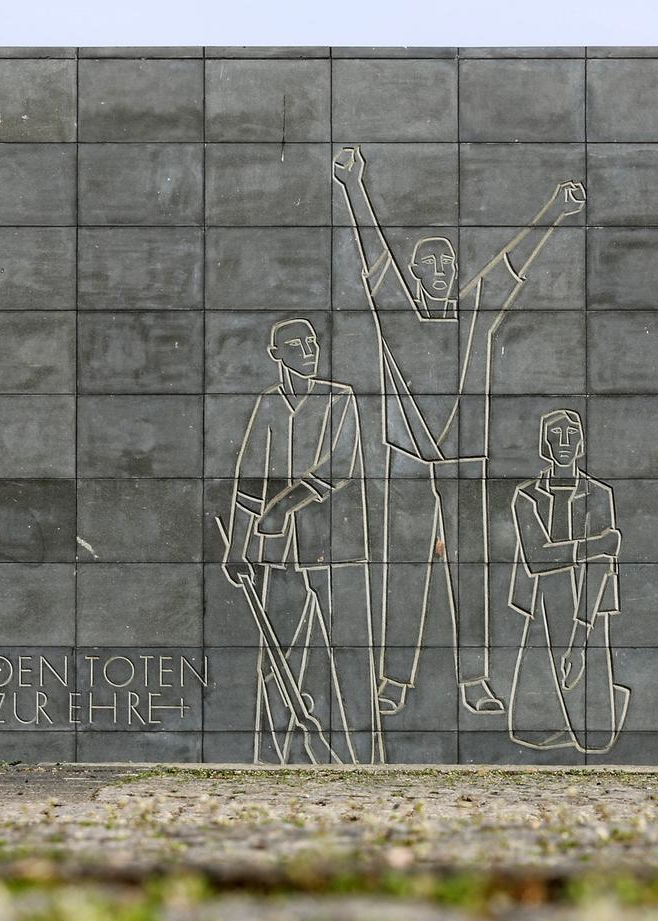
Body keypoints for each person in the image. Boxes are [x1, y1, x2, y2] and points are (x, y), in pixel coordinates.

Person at [332, 145, 585, 717]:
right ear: (417, 273)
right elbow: (374, 256)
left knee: (470, 573)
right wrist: (353, 185)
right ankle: (394, 680)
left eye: (450, 263)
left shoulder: (474, 315)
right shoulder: (396, 312)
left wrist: (557, 210)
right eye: (433, 264)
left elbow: (511, 265)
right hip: (409, 461)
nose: (444, 271)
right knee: (405, 573)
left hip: (466, 462)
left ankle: (475, 680)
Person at [221, 317, 381, 765]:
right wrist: (237, 549)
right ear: (278, 354)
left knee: (349, 660)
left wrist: (281, 508)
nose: (309, 349)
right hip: (279, 555)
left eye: (313, 342)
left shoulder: (340, 398)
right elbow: (249, 481)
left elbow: (340, 465)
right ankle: (274, 759)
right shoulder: (270, 404)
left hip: (337, 551)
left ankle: (360, 759)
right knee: (275, 660)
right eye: (297, 344)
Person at [504, 409, 629, 754]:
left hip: (588, 602)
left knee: (597, 739)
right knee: (530, 730)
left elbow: (601, 566)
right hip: (543, 601)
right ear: (545, 442)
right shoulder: (527, 495)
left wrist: (579, 635)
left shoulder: (598, 494)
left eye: (572, 434)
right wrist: (598, 544)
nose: (564, 442)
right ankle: (560, 718)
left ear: (582, 442)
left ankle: (608, 699)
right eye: (556, 434)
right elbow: (537, 557)